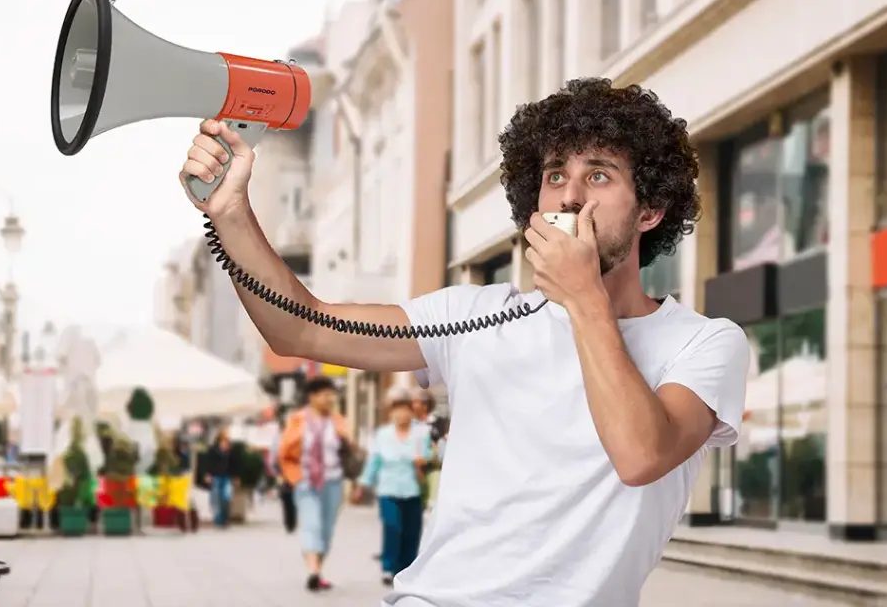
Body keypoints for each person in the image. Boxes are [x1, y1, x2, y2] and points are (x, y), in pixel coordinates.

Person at [179, 77, 750, 606]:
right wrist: (230, 213)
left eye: (598, 175)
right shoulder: (474, 313)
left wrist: (584, 301)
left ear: (650, 209)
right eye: (555, 176)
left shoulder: (704, 344)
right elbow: (299, 326)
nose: (569, 198)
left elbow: (641, 454)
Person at [277, 377, 352, 591]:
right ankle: (313, 571)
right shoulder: (298, 420)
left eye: (332, 394)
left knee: (326, 530)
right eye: (325, 394)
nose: (330, 399)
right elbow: (285, 451)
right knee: (312, 525)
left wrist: (344, 438)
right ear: (312, 396)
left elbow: (349, 447)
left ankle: (317, 571)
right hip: (306, 482)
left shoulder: (337, 420)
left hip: (333, 481)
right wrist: (294, 477)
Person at [354, 388, 431, 586]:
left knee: (411, 531)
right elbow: (375, 461)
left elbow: (427, 457)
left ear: (411, 412)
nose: (401, 414)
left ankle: (406, 568)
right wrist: (363, 484)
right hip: (388, 490)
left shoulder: (420, 434)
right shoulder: (383, 434)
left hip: (412, 489)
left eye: (405, 410)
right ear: (390, 413)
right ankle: (389, 567)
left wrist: (423, 462)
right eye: (396, 410)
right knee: (392, 527)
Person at [203, 428, 235, 528]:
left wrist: (236, 476)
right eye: (224, 439)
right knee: (216, 498)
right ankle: (218, 519)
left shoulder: (230, 450)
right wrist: (208, 474)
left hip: (227, 477)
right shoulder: (213, 449)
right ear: (220, 439)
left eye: (227, 440)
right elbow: (208, 462)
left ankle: (225, 518)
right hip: (216, 476)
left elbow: (235, 464)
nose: (225, 441)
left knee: (226, 497)